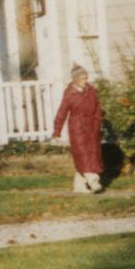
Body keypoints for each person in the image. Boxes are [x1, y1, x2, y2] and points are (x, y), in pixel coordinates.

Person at [52, 65, 104, 194]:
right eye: (81, 79)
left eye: (86, 78)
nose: (84, 81)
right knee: (83, 154)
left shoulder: (91, 90)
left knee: (92, 154)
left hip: (92, 127)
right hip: (77, 128)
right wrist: (57, 131)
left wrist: (98, 121)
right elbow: (62, 113)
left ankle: (79, 186)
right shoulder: (69, 94)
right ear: (75, 79)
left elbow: (97, 107)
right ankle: (93, 181)